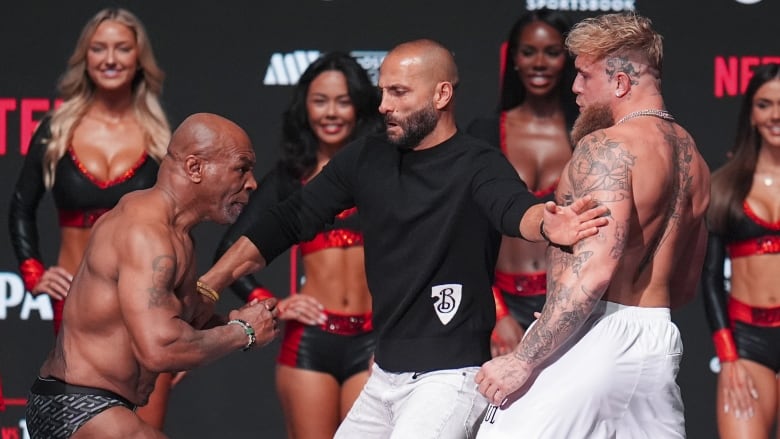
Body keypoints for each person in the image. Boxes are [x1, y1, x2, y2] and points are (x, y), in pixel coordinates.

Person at [201, 38, 608, 438]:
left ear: (441, 94)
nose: (383, 106)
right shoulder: (366, 157)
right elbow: (288, 221)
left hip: (450, 379)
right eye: (382, 92)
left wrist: (547, 223)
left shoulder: (477, 163)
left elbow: (514, 209)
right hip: (384, 377)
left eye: (398, 92)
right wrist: (207, 288)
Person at [475, 12, 710, 438]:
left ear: (620, 82)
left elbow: (594, 271)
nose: (575, 88)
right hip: (657, 343)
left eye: (584, 75)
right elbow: (686, 284)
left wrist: (523, 359)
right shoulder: (696, 160)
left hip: (593, 334)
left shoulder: (606, 147)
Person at [25, 113, 280, 439]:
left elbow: (172, 324)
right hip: (78, 407)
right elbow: (161, 348)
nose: (252, 183)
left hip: (94, 404)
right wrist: (242, 331)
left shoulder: (178, 234)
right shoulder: (146, 232)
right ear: (195, 168)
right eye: (241, 168)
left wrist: (229, 322)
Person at [7, 8, 176, 429]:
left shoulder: (160, 137)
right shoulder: (57, 129)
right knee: (83, 425)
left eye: (122, 48)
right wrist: (33, 271)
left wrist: (182, 317)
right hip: (76, 304)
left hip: (145, 301)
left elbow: (179, 228)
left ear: (140, 59)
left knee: (143, 429)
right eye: (98, 49)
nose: (110, 58)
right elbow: (21, 206)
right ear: (85, 58)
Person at [215, 51, 383, 439]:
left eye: (343, 101)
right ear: (304, 107)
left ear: (359, 106)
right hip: (310, 343)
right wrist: (269, 302)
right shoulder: (291, 178)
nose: (331, 113)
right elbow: (230, 252)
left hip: (374, 339)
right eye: (320, 101)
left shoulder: (381, 171)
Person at [467, 9, 577, 356]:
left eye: (552, 52)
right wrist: (497, 312)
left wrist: (569, 310)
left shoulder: (589, 137)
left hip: (569, 304)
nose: (539, 62)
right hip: (500, 306)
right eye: (528, 52)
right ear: (513, 58)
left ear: (568, 59)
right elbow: (469, 234)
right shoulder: (484, 134)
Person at [701, 62, 780, 439]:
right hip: (747, 344)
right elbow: (711, 278)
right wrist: (728, 356)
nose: (776, 115)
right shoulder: (726, 186)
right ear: (750, 112)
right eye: (765, 104)